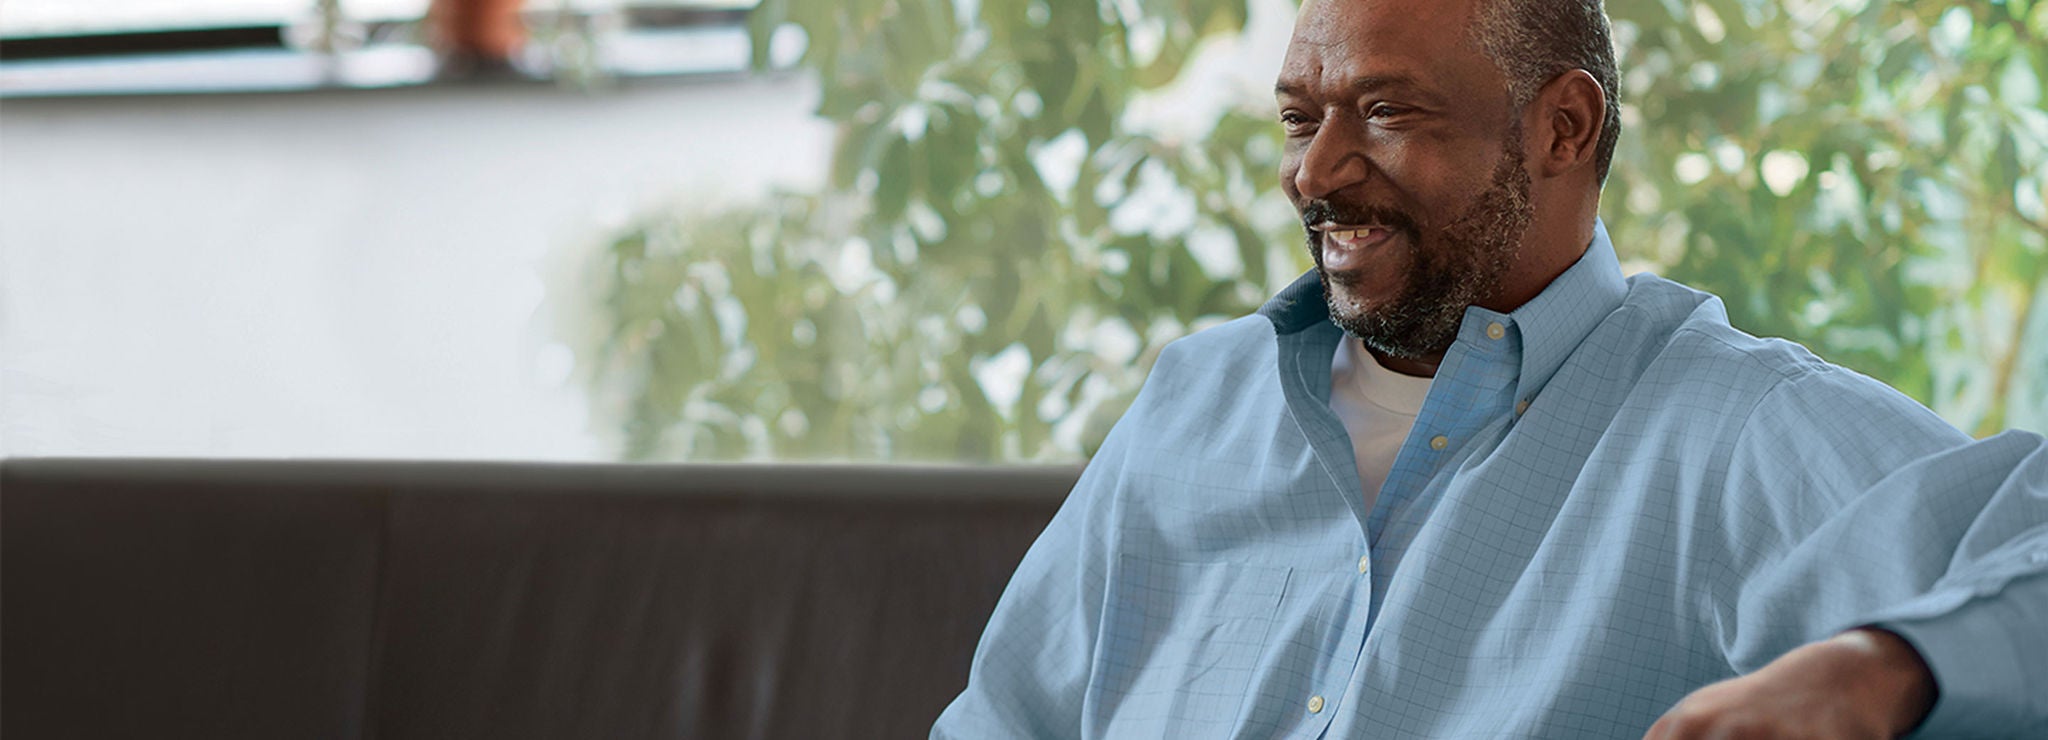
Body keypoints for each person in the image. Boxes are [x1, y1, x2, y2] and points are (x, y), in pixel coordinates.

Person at [930, 0, 2048, 737]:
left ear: (1560, 129)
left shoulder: (1730, 427)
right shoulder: (1192, 402)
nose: (1313, 170)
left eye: (1382, 110)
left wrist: (1875, 663)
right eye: (1296, 119)